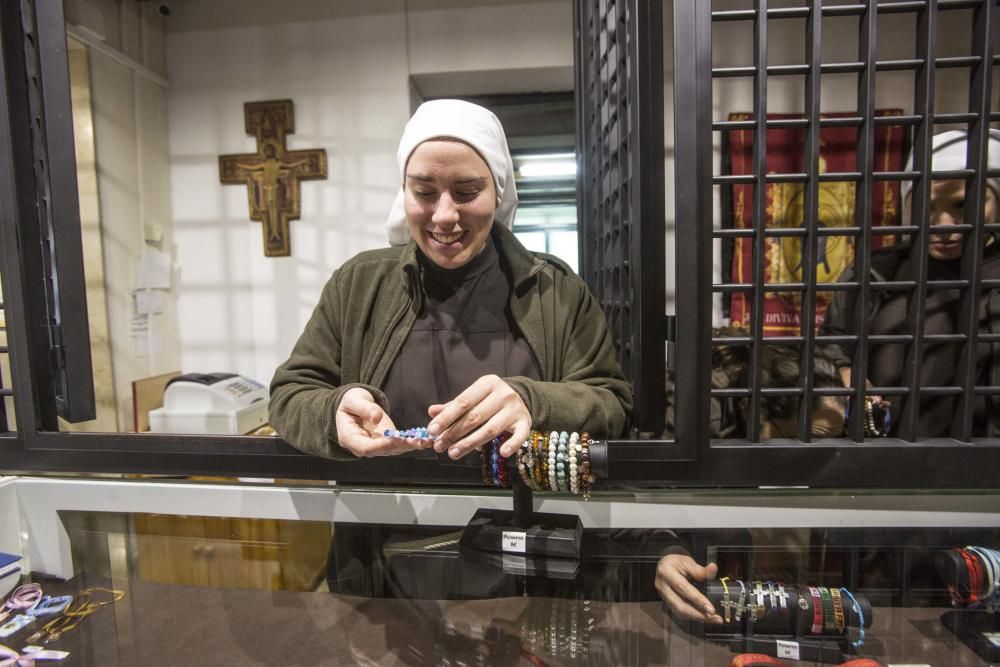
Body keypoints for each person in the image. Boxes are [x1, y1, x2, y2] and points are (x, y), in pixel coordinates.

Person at [269, 99, 632, 464]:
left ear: (498, 191)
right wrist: (333, 412)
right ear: (404, 192)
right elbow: (290, 395)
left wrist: (533, 403)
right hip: (381, 515)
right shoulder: (358, 285)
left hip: (521, 513)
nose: (444, 216)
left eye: (467, 191)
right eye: (424, 193)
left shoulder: (555, 291)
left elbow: (611, 405)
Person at [820, 129, 1000, 438]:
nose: (943, 225)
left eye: (962, 205)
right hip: (891, 458)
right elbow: (831, 342)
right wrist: (847, 373)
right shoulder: (877, 272)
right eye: (927, 207)